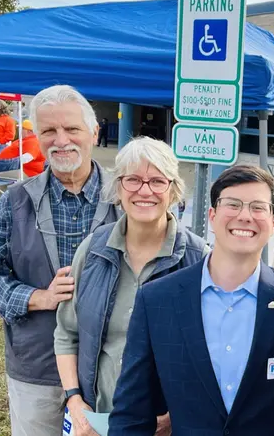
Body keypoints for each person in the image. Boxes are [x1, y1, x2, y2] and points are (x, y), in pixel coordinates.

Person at [108, 165, 274, 435]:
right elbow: (131, 413)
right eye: (233, 204)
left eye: (258, 207)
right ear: (212, 216)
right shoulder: (157, 300)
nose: (245, 216)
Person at [0, 85, 119, 436]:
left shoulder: (126, 199)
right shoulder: (15, 201)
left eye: (72, 129)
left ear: (94, 132)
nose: (61, 140)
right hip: (38, 365)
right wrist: (39, 298)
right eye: (48, 130)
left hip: (111, 366)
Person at [54, 136, 208, 436]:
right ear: (118, 188)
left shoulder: (198, 259)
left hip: (168, 426)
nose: (144, 190)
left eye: (157, 181)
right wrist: (74, 399)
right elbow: (66, 332)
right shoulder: (93, 249)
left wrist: (176, 415)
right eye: (133, 180)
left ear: (173, 189)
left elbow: (212, 354)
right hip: (96, 421)